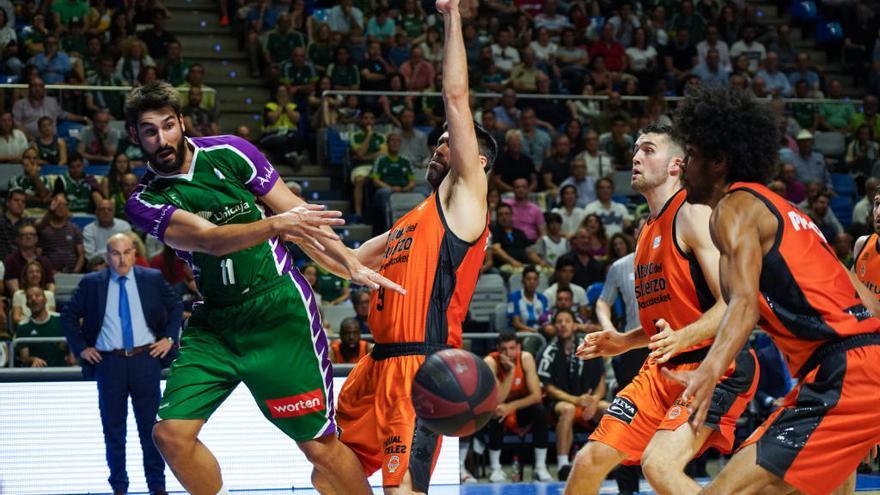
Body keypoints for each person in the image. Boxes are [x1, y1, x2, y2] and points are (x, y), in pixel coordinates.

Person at [122, 81, 399, 495]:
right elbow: (210, 239)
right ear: (135, 137)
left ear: (182, 122)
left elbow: (299, 217)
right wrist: (275, 224)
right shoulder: (144, 201)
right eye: (149, 131)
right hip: (215, 323)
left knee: (319, 448)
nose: (161, 139)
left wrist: (348, 264)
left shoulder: (231, 152)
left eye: (167, 125)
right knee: (170, 436)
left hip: (277, 312)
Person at [665, 86, 880, 495]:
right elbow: (870, 304)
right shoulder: (791, 214)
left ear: (719, 159)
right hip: (854, 372)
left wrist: (709, 370)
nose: (682, 166)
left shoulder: (734, 207)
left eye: (690, 154)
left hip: (842, 374)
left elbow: (744, 305)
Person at [325, 1, 497, 491]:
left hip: (421, 365)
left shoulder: (466, 201)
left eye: (449, 142)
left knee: (402, 489)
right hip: (375, 365)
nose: (438, 145)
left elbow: (457, 97)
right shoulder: (410, 222)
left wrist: (452, 15)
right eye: (439, 140)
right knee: (331, 473)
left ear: (476, 161)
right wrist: (286, 226)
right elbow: (348, 263)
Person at [566, 124, 759, 495]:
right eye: (636, 150)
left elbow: (736, 301)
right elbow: (671, 318)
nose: (636, 157)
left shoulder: (693, 215)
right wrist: (624, 341)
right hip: (663, 368)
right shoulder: (645, 231)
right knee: (588, 462)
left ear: (676, 165)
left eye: (648, 150)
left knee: (658, 466)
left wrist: (683, 336)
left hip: (714, 363)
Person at [61, 233, 182, 495]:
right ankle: (119, 488)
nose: (122, 258)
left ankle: (157, 487)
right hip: (109, 363)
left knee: (151, 429)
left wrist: (169, 339)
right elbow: (68, 316)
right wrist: (82, 348)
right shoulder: (92, 283)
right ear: (107, 256)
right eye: (116, 253)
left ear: (134, 252)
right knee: (114, 431)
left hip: (145, 360)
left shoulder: (151, 278)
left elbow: (175, 307)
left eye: (127, 252)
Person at [538, 309, 607, 482]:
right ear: (555, 327)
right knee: (568, 409)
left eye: (567, 321)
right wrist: (575, 400)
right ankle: (563, 465)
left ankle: (609, 461)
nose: (563, 325)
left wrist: (594, 401)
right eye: (559, 322)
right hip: (560, 403)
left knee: (609, 409)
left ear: (574, 325)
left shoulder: (589, 347)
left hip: (587, 403)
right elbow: (549, 388)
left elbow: (601, 383)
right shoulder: (549, 351)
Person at [483, 332, 550, 482]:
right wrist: (511, 371)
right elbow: (499, 398)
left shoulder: (526, 358)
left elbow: (536, 396)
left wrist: (510, 406)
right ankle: (495, 468)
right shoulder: (490, 362)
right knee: (496, 412)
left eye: (512, 348)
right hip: (499, 408)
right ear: (497, 349)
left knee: (540, 410)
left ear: (519, 347)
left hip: (520, 408)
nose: (508, 353)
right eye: (504, 349)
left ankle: (540, 466)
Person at [15, 286, 69, 367]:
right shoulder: (23, 326)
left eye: (37, 295)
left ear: (45, 300)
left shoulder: (60, 319)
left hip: (61, 371)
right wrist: (32, 359)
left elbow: (73, 342)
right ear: (27, 304)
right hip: (37, 373)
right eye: (30, 297)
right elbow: (24, 358)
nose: (33, 299)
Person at [37, 193, 85, 273]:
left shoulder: (74, 228)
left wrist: (74, 273)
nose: (61, 207)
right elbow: (38, 255)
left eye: (63, 205)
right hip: (49, 274)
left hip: (71, 274)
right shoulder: (44, 228)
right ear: (52, 207)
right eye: (58, 205)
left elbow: (81, 255)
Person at [507, 265, 550, 334]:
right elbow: (516, 324)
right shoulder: (513, 298)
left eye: (535, 279)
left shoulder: (543, 298)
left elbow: (546, 320)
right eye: (528, 279)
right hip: (522, 333)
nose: (532, 282)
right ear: (523, 281)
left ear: (538, 282)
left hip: (540, 332)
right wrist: (535, 331)